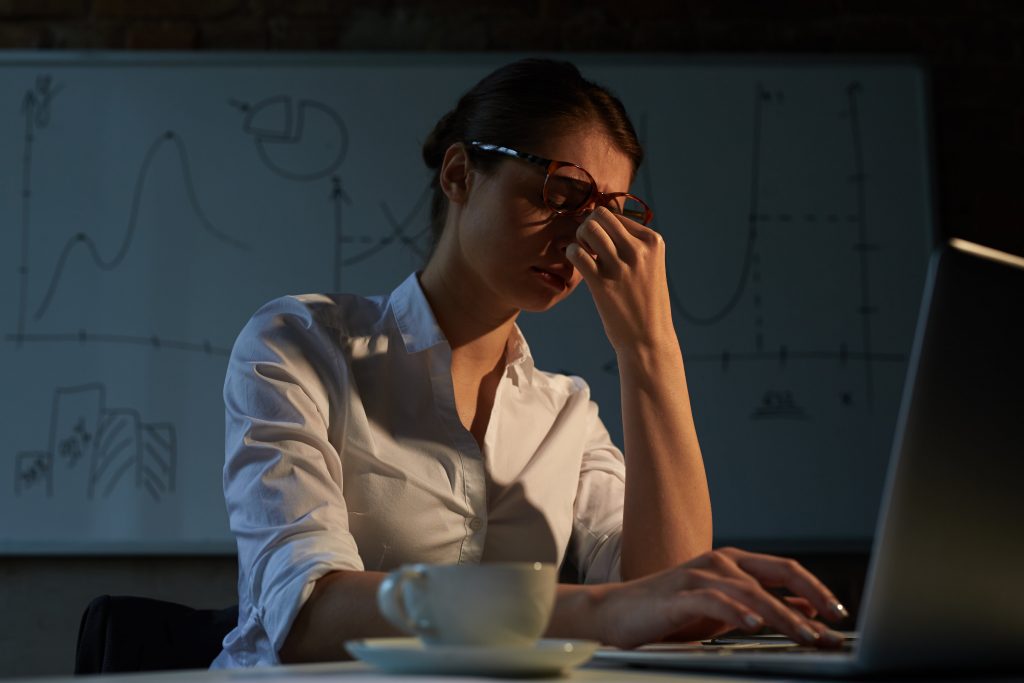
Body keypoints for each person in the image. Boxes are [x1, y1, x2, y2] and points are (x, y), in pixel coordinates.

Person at [211, 58, 848, 668]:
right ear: (459, 175)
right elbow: (309, 618)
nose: (581, 238)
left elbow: (665, 605)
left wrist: (649, 345)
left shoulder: (565, 410)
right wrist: (601, 609)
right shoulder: (300, 343)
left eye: (608, 213)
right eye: (561, 192)